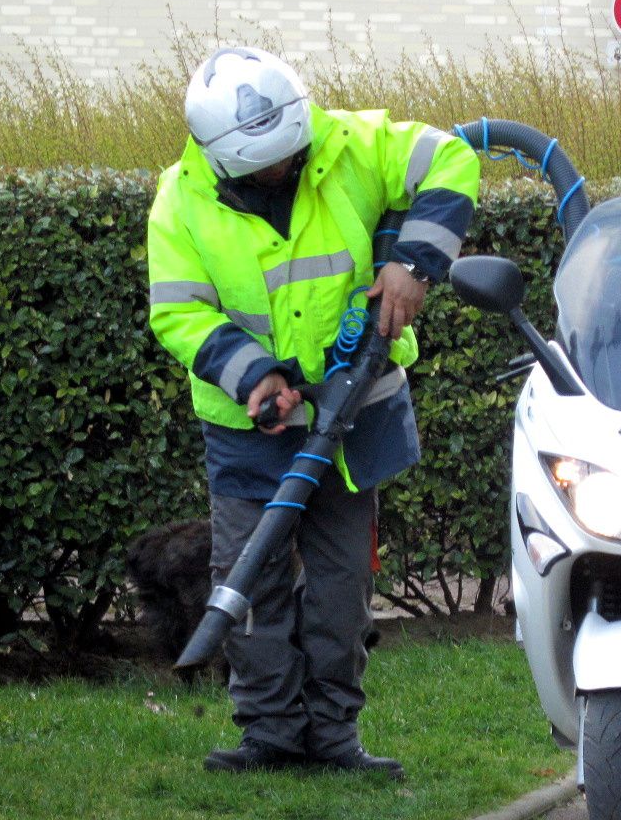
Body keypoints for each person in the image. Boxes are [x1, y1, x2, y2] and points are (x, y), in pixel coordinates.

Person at [146, 46, 479, 780]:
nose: (287, 170)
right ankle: (269, 734)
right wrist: (254, 374)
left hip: (355, 418)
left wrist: (415, 261)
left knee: (340, 589)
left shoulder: (350, 145)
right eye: (267, 164)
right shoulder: (180, 200)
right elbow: (180, 313)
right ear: (220, 158)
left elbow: (452, 158)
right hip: (250, 430)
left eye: (293, 152)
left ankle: (333, 736)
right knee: (251, 583)